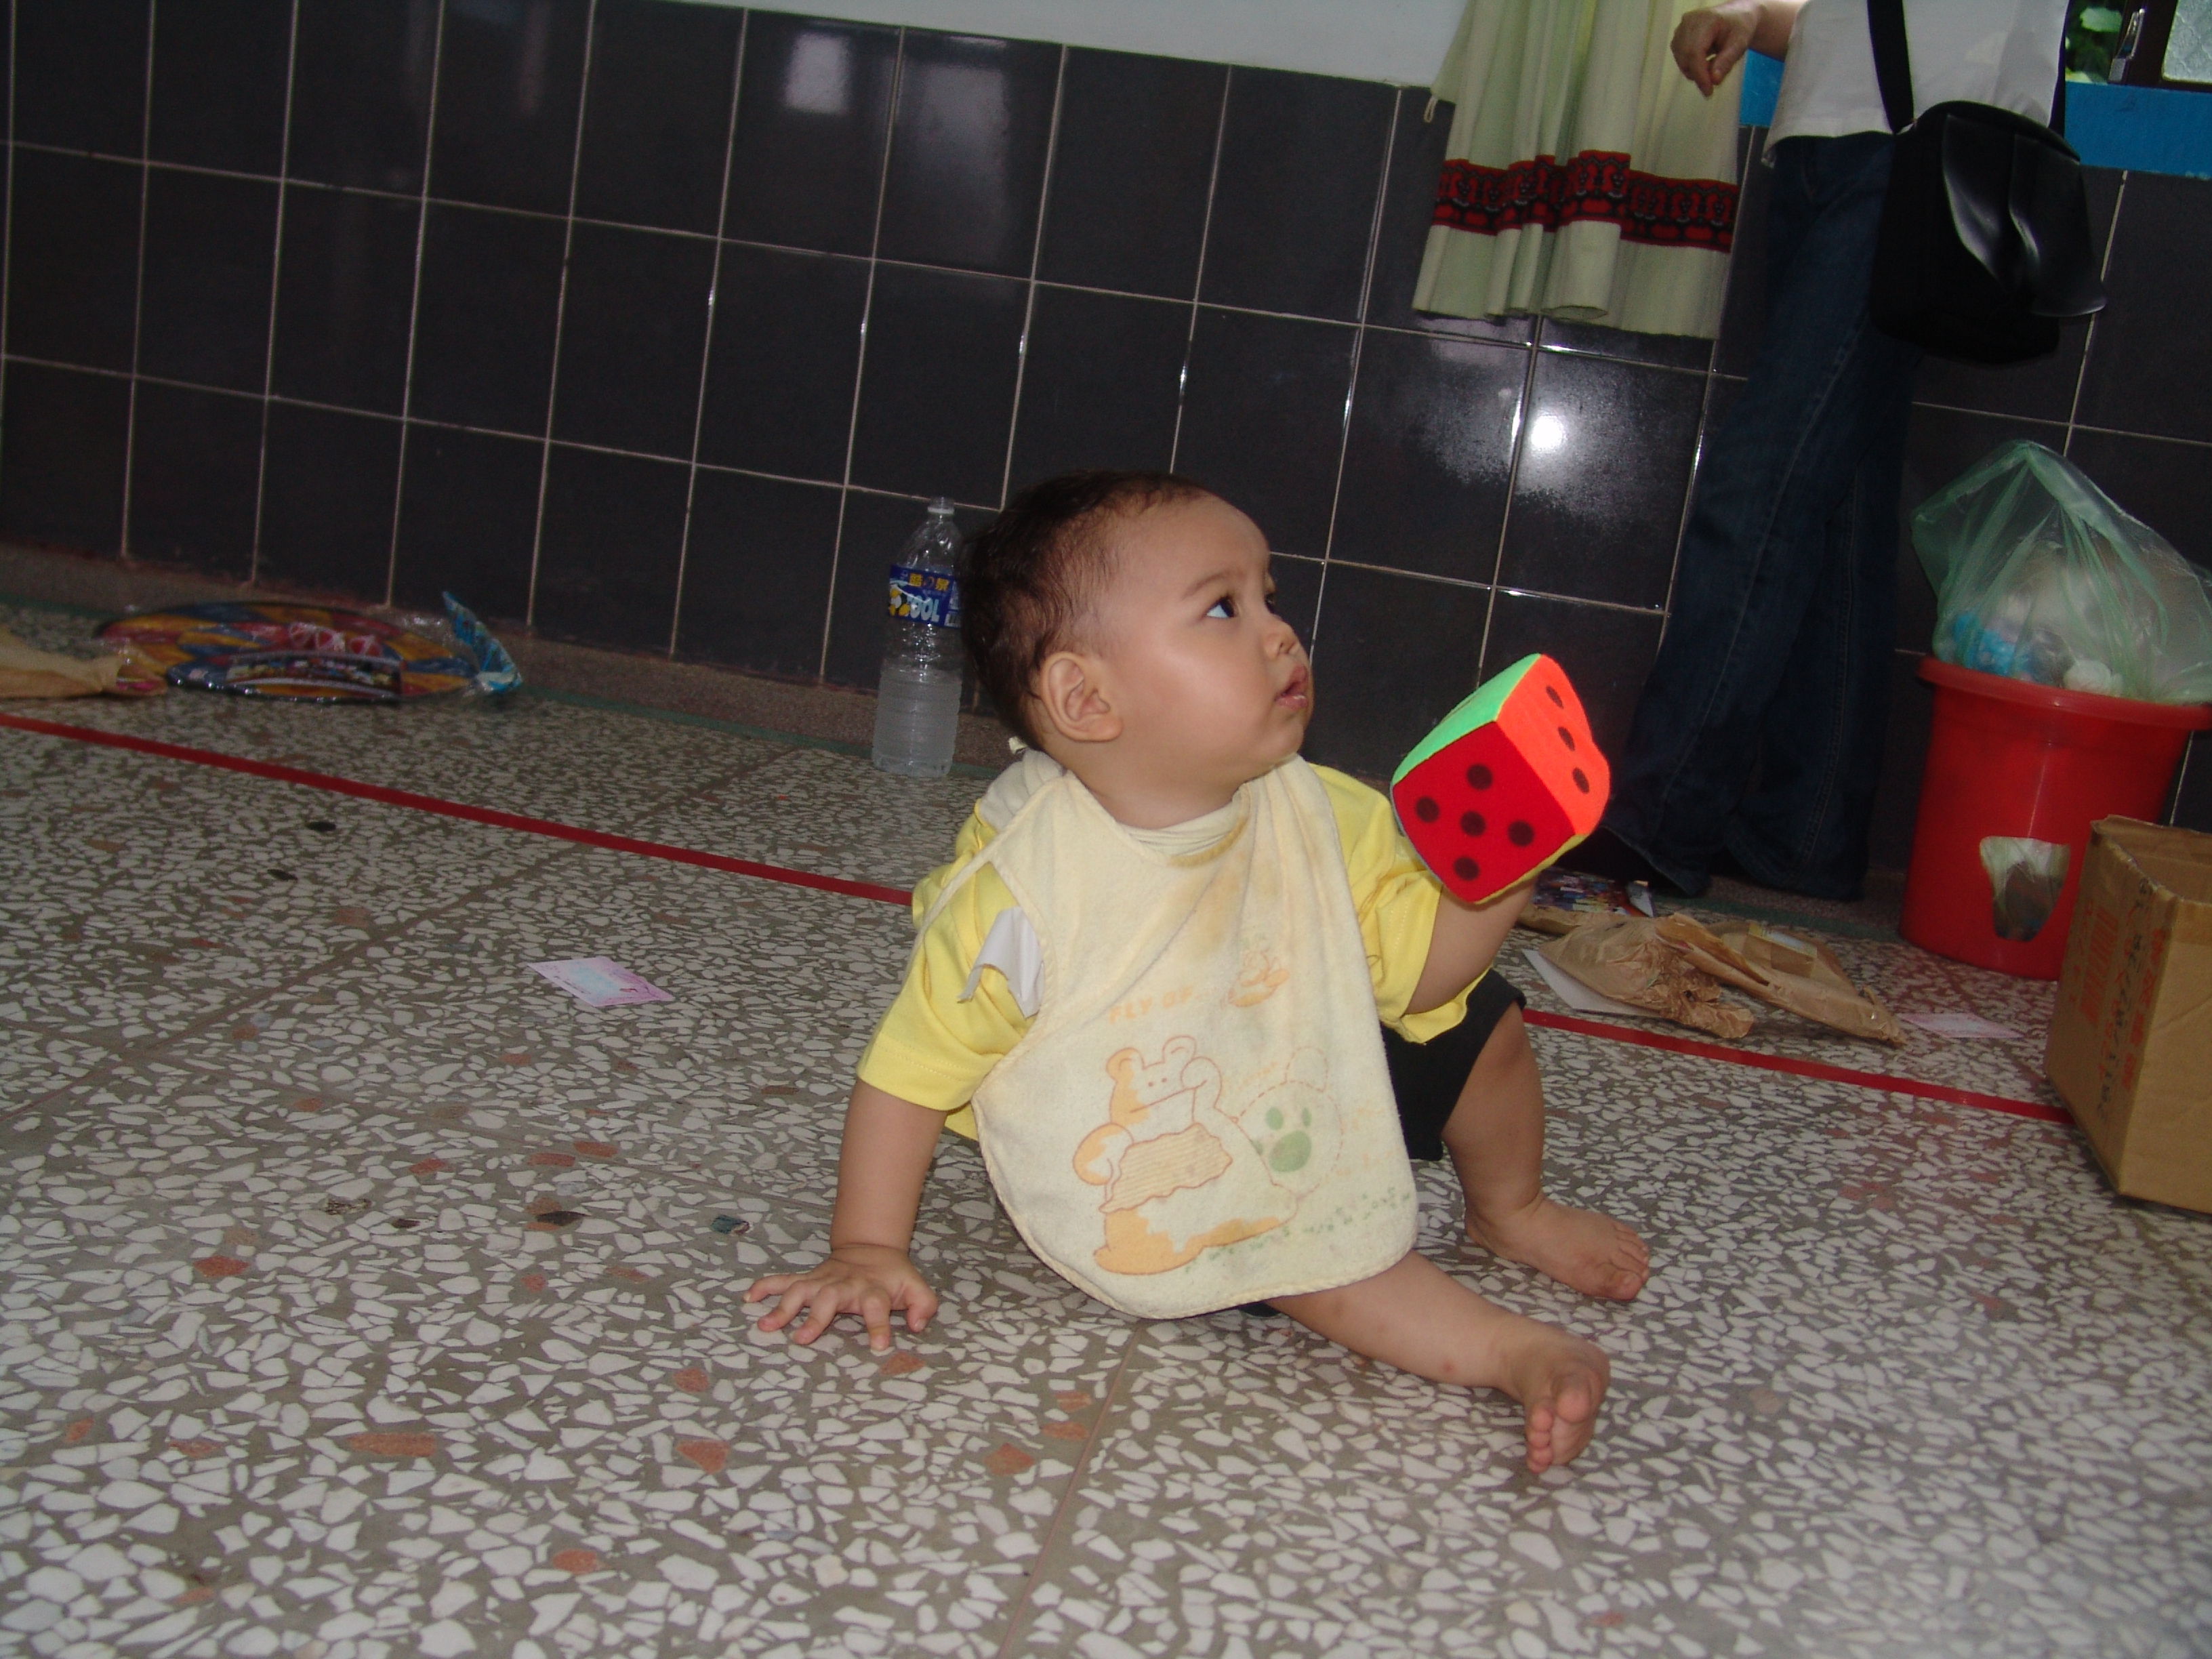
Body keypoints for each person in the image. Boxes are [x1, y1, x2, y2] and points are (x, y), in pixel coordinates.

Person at [747, 472, 1649, 1473]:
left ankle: (1512, 1208)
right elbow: (908, 1075)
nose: (1280, 634)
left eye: (1270, 597)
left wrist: (1498, 875)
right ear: (1087, 699)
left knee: (1486, 1024)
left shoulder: (1317, 811)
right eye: (1223, 608)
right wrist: (868, 1247)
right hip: (1173, 1129)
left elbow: (1421, 982)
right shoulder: (1026, 895)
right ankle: (1508, 1351)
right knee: (1299, 1253)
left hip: (1300, 1047)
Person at [1580, 0, 2067, 900]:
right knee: (1839, 503)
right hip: (1827, 146)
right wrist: (1758, 15)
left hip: (1914, 151)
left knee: (1759, 482)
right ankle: (1806, 834)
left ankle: (1661, 815)